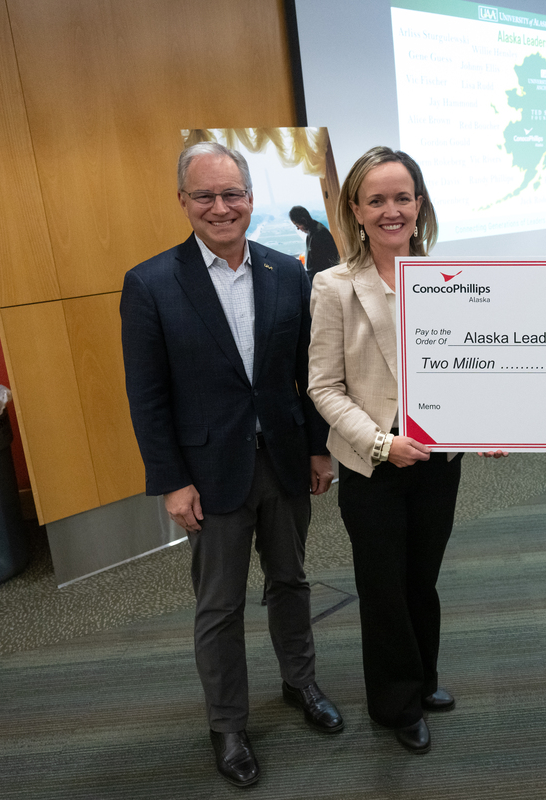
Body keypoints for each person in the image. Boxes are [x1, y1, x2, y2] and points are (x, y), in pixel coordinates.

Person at [120, 142, 341, 788]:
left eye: (232, 194)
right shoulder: (151, 284)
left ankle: (301, 682)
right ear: (183, 202)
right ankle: (228, 724)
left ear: (250, 198)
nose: (221, 207)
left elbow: (309, 373)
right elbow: (148, 395)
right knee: (219, 606)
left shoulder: (286, 272)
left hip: (284, 458)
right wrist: (170, 481)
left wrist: (319, 446)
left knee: (291, 581)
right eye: (205, 196)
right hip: (208, 476)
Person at [307, 147, 504, 755]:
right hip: (373, 465)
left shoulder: (452, 280)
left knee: (423, 577)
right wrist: (381, 443)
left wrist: (488, 423)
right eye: (377, 200)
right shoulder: (334, 287)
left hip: (439, 464)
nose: (391, 211)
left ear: (420, 205)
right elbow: (323, 386)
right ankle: (395, 703)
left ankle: (423, 680)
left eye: (402, 198)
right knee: (384, 584)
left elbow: (470, 370)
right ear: (356, 211)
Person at [289, 205, 341, 280]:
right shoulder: (312, 232)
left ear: (304, 221)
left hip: (325, 277)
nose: (298, 228)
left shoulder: (319, 234)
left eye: (297, 225)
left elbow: (320, 265)